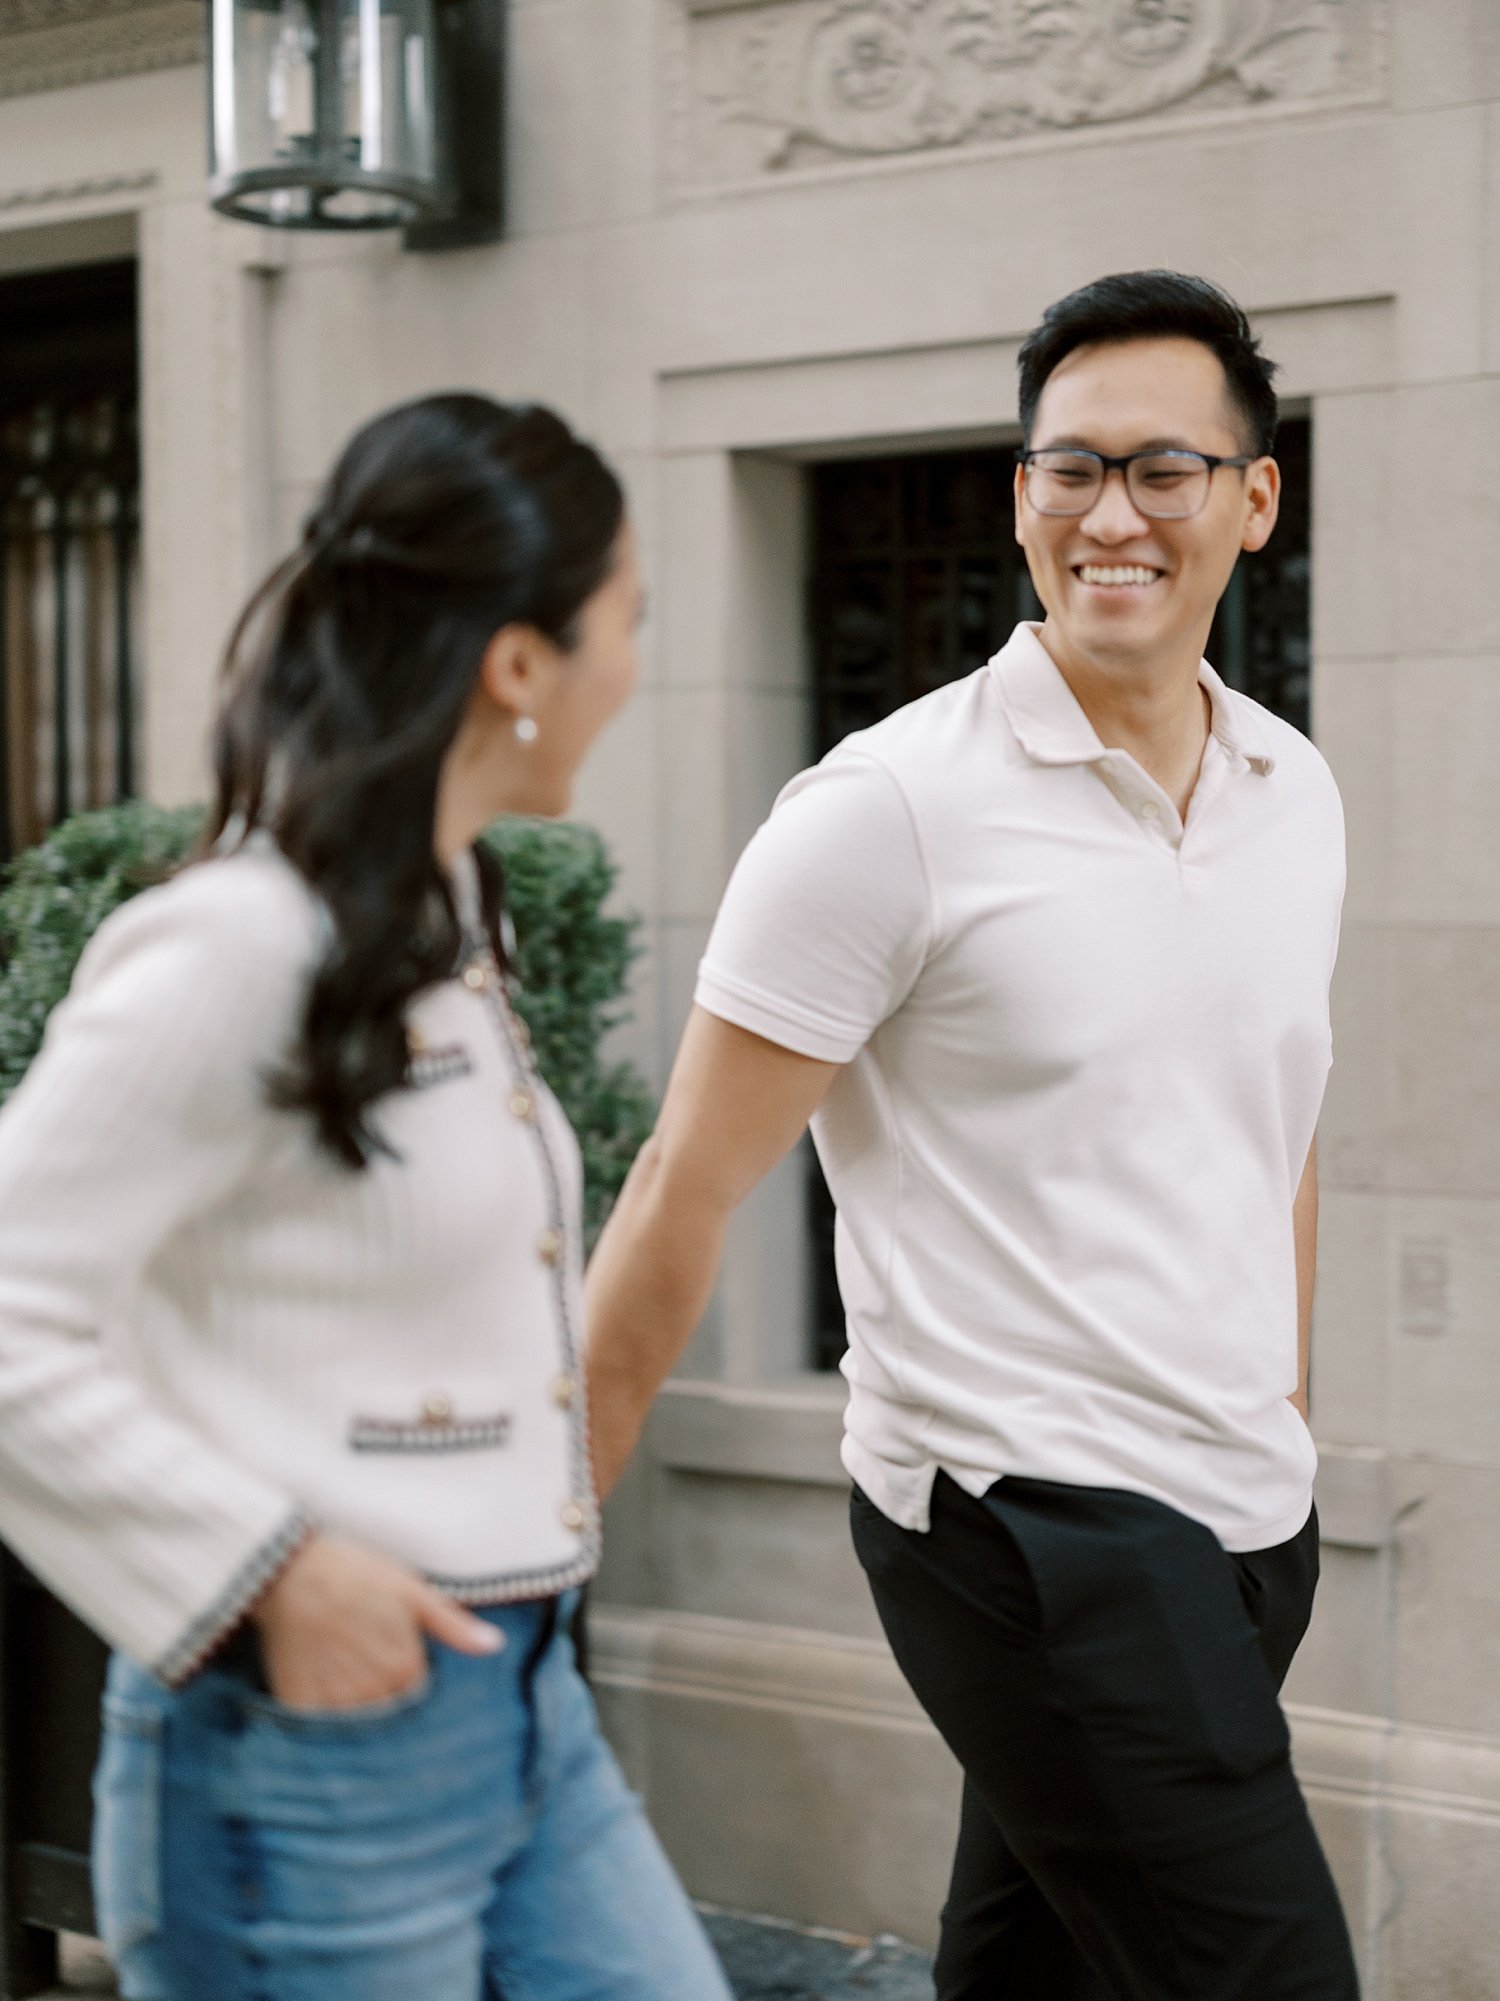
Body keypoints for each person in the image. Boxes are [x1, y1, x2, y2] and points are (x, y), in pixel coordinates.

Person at [583, 271, 1361, 2000]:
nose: (1113, 515)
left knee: (1038, 1973)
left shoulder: (1291, 791)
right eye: (1069, 468)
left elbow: (1277, 1118)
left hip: (1246, 1510)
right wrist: (538, 1513)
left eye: (1166, 469)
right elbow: (686, 1180)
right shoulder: (887, 813)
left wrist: (1282, 1399)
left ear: (1255, 497)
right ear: (1019, 497)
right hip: (1025, 1512)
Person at [0, 394, 733, 2001]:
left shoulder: (449, 915)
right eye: (628, 623)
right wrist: (273, 1569)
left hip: (529, 1709)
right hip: (303, 1747)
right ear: (520, 667)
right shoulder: (236, 944)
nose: (634, 667)